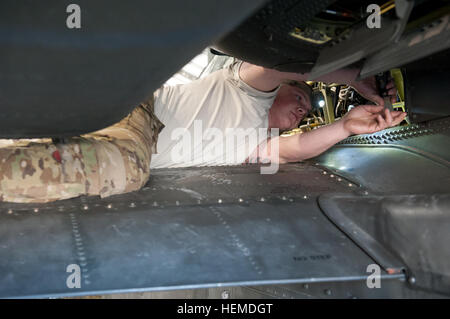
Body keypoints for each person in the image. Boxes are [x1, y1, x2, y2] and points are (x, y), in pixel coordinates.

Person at [0, 59, 404, 203]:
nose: (302, 107)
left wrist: (345, 126)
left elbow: (295, 151)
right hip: (134, 109)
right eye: (299, 96)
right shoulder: (245, 89)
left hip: (106, 133)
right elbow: (282, 65)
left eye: (308, 109)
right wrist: (354, 77)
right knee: (124, 171)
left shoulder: (257, 146)